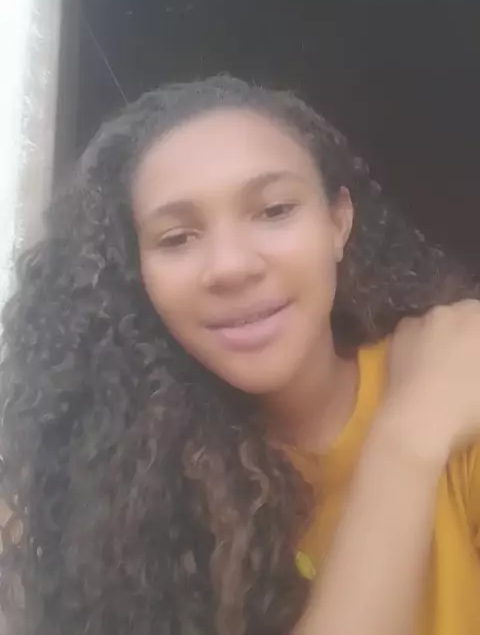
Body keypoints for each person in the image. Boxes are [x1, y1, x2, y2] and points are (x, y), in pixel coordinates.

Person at [0, 74, 479, 635]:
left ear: (338, 223)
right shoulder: (110, 489)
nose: (230, 267)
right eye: (177, 238)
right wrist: (407, 442)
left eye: (274, 210)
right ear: (137, 276)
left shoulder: (461, 384)